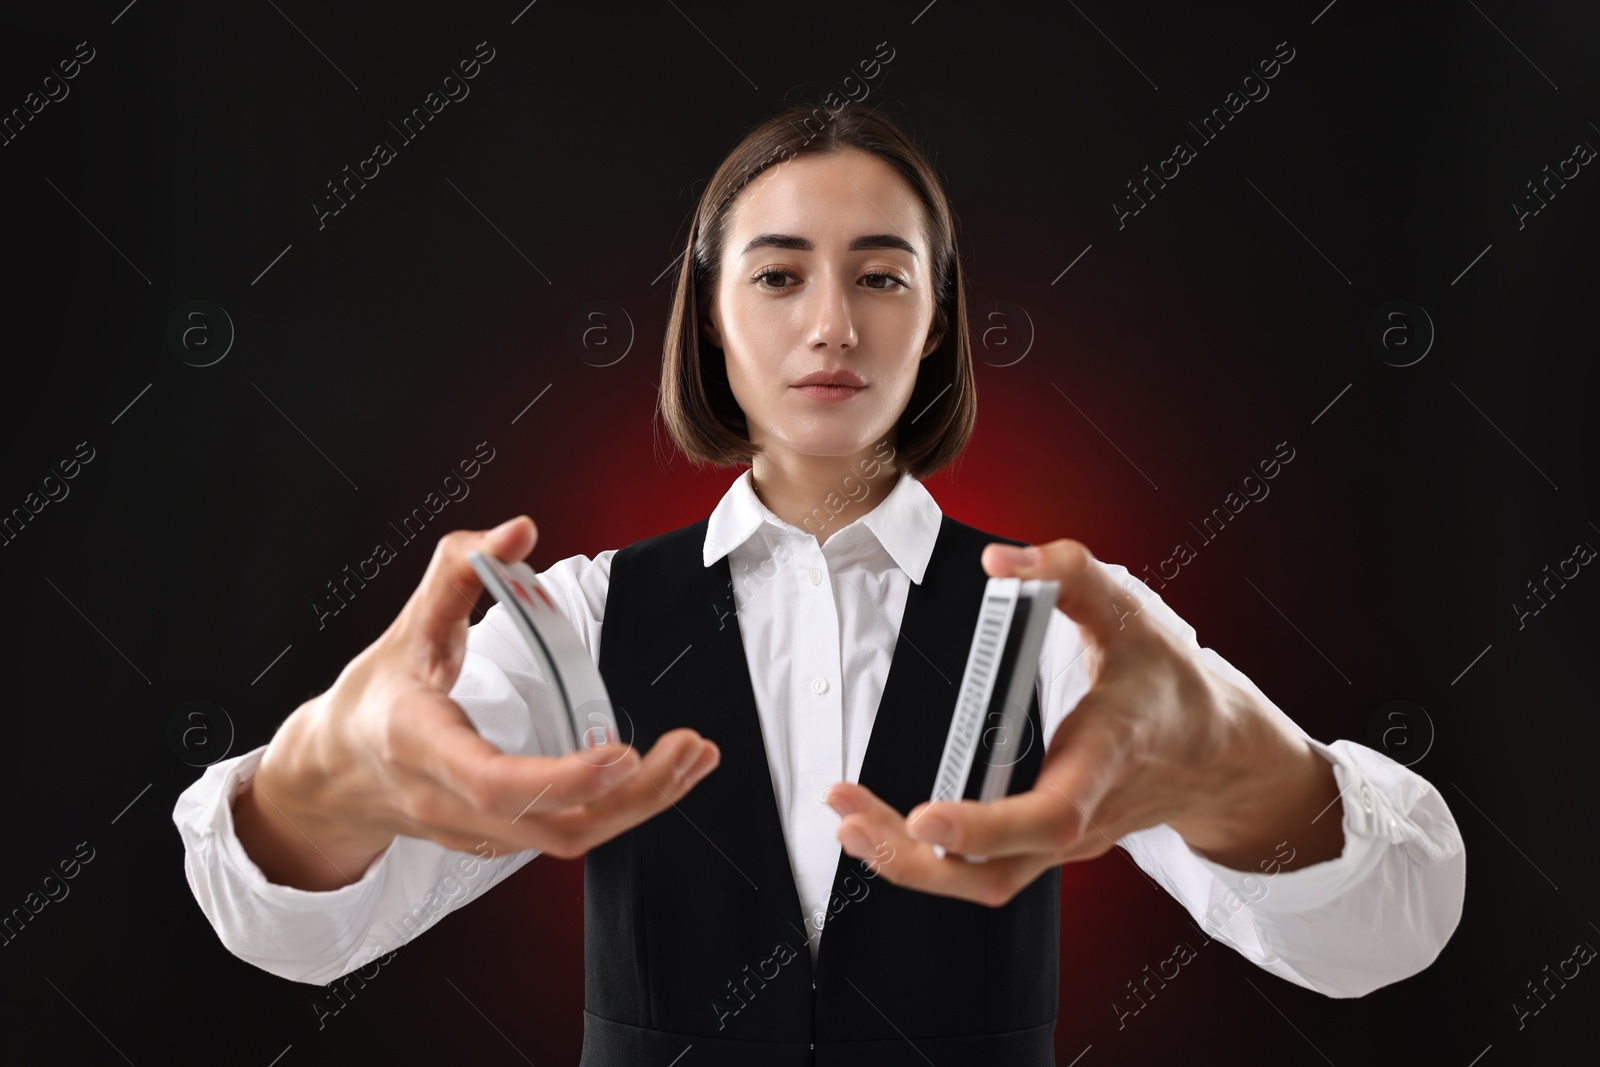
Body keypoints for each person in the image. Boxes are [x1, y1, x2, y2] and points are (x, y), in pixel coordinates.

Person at [174, 103, 1465, 1065]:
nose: (833, 325)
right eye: (780, 274)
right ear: (711, 315)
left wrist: (1249, 774)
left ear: (940, 320)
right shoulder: (575, 621)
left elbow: (1385, 940)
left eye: (882, 277)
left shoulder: (1071, 623)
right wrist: (321, 777)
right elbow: (292, 936)